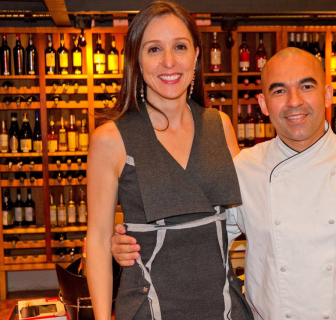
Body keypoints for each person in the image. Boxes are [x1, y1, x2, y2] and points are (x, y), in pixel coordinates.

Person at [111, 47, 336, 319]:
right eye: (279, 91)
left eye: (306, 86)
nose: (293, 102)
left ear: (328, 94)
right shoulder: (244, 169)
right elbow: (202, 236)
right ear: (263, 105)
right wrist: (133, 242)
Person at [86, 2, 253, 320]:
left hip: (224, 308)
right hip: (151, 308)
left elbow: (246, 218)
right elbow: (96, 239)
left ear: (196, 56)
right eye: (153, 49)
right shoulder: (111, 139)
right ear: (136, 59)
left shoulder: (220, 126)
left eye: (179, 46)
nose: (168, 61)